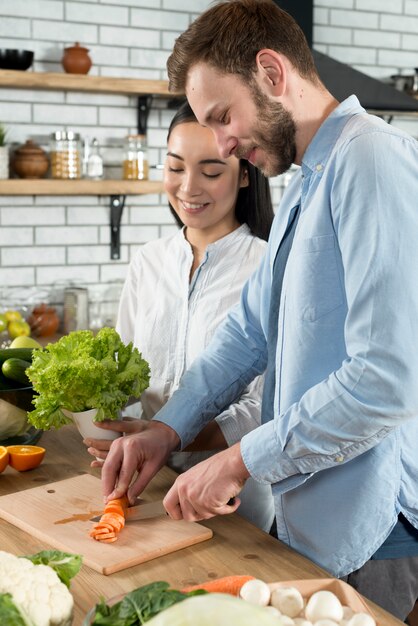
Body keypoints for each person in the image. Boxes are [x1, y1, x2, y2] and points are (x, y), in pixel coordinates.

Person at [99, 1, 418, 619]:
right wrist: (171, 428)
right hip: (313, 516)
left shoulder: (370, 161)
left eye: (223, 117)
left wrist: (241, 459)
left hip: (371, 527)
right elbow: (250, 331)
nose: (224, 143)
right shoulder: (309, 178)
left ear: (272, 72)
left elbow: (388, 378)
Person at [84, 99, 275, 532]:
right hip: (141, 488)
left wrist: (164, 435)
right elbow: (124, 375)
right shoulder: (147, 262)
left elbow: (265, 407)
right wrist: (120, 432)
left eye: (210, 171)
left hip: (232, 500)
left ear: (244, 174)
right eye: (174, 168)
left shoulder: (269, 268)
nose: (189, 188)